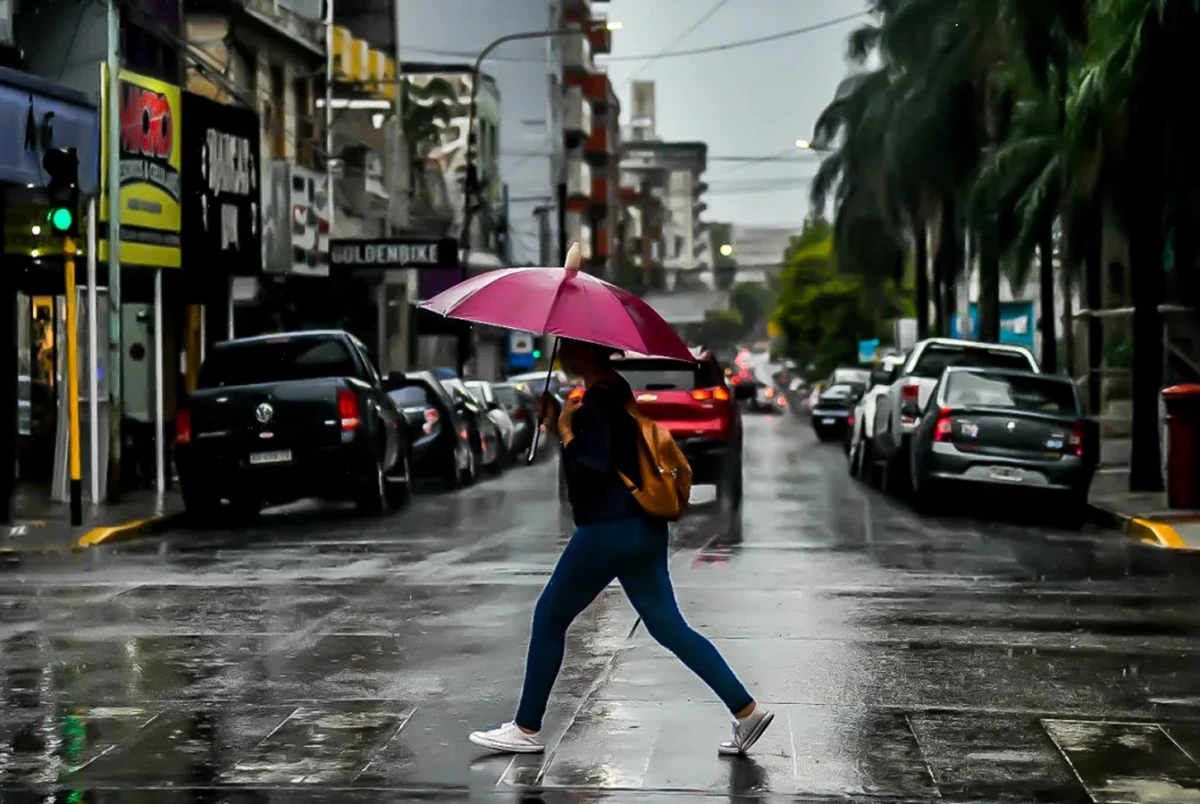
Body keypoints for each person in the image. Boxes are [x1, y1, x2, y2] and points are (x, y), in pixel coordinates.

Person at [469, 338, 772, 756]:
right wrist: (561, 419)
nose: (567, 354)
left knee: (550, 616)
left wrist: (561, 427)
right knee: (669, 627)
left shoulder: (597, 403)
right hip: (643, 528)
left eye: (571, 347)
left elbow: (591, 468)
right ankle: (746, 710)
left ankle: (526, 727)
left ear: (585, 352)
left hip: (608, 529)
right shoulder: (614, 391)